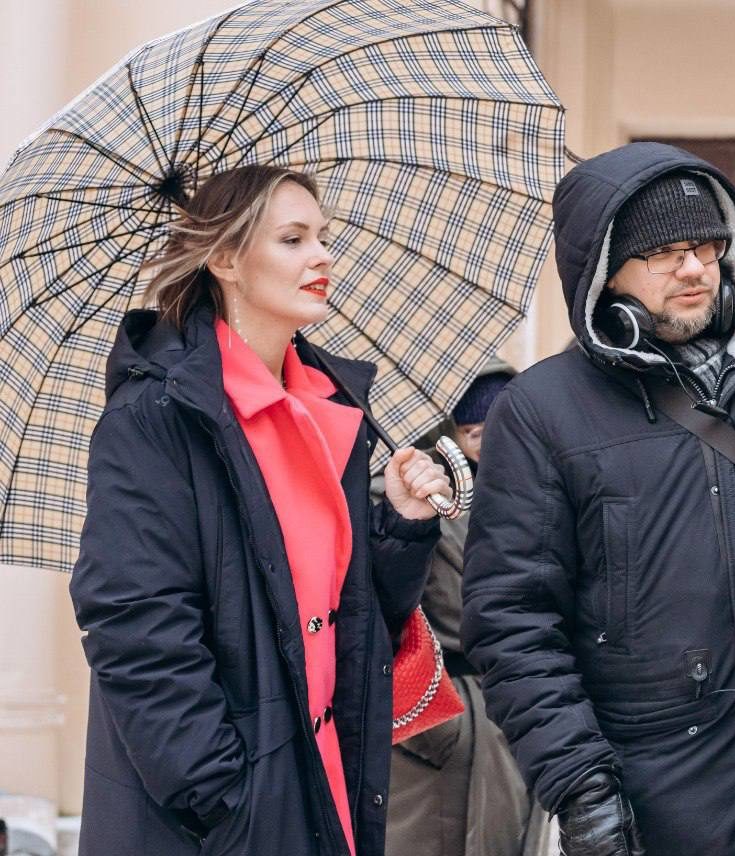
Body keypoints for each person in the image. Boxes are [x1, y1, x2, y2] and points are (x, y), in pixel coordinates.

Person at [461, 142, 735, 856]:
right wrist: (581, 785)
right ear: (604, 272)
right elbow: (513, 622)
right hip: (663, 794)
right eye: (662, 253)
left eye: (705, 246)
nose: (693, 268)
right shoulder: (541, 410)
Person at [70, 164, 453, 856]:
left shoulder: (326, 409)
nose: (322, 256)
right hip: (225, 816)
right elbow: (137, 628)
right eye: (293, 239)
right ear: (225, 260)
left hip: (325, 784)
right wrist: (226, 802)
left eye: (324, 237)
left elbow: (352, 622)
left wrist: (401, 526)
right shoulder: (155, 418)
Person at [387, 359, 550, 856]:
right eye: (473, 431)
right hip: (444, 716)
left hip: (518, 708)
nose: (486, 442)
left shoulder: (537, 489)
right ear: (449, 433)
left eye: (498, 427)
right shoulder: (412, 497)